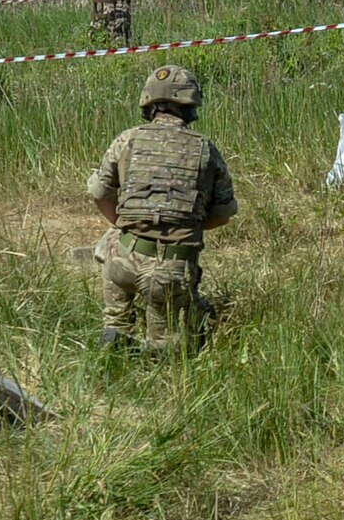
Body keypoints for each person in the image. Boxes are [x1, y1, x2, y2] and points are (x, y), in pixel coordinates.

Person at [86, 64, 237, 353]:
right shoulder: (206, 149)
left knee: (110, 241)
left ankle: (116, 327)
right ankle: (162, 346)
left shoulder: (126, 140)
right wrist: (184, 224)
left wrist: (123, 223)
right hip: (172, 270)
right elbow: (223, 214)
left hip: (124, 261)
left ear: (148, 102)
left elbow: (99, 193)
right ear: (190, 105)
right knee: (167, 348)